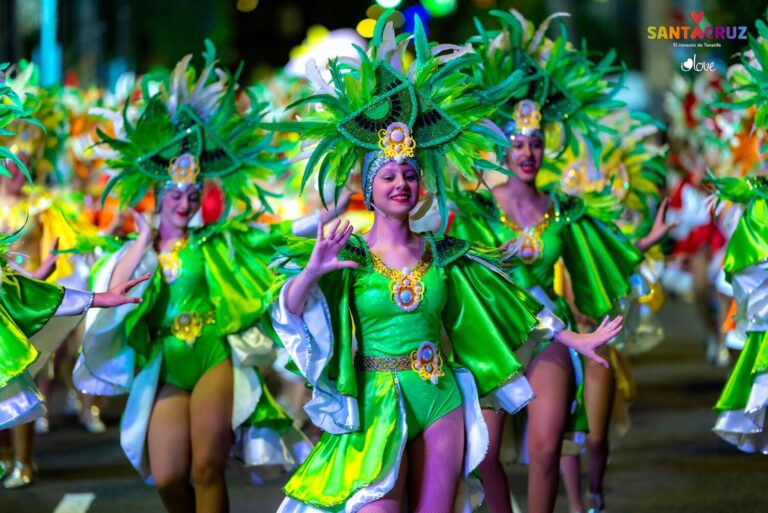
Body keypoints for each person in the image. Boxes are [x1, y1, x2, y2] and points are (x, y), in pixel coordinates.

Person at [266, 13, 623, 512]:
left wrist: (573, 338)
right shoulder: (346, 252)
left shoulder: (446, 252)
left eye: (409, 174)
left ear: (420, 185)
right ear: (369, 188)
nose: (400, 183)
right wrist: (310, 272)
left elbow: (513, 305)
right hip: (375, 406)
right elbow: (287, 308)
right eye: (387, 175)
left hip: (439, 399)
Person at [73, 44, 309, 513]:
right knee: (167, 475)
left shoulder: (216, 242)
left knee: (206, 468)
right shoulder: (137, 251)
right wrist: (142, 242)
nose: (184, 201)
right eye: (175, 194)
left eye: (192, 194)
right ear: (158, 194)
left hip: (213, 353)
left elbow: (277, 237)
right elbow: (113, 294)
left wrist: (329, 218)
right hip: (166, 363)